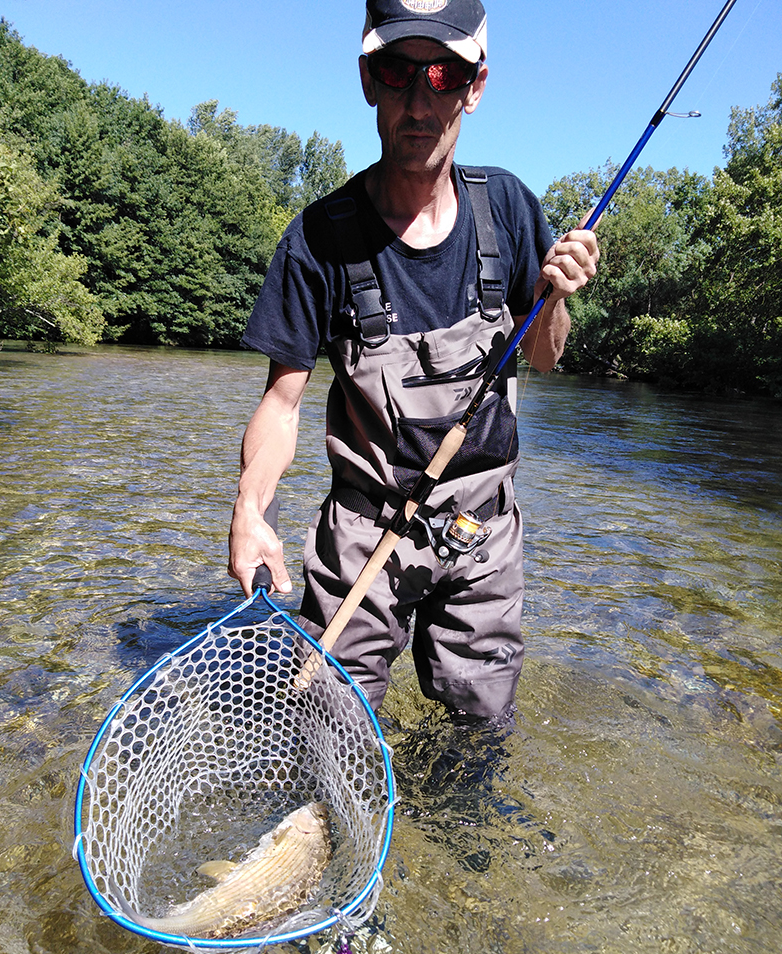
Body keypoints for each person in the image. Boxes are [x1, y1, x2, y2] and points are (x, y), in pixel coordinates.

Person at [228, 0, 599, 725]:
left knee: (480, 737)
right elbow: (281, 403)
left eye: (444, 73)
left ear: (476, 85)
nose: (420, 99)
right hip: (366, 528)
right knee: (330, 725)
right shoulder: (317, 239)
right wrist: (249, 508)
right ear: (369, 79)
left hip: (484, 530)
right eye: (399, 71)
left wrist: (555, 297)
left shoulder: (514, 211)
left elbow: (546, 359)